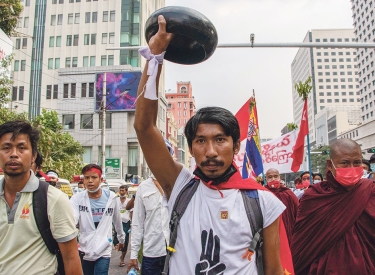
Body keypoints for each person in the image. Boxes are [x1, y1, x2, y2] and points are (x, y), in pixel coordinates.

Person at [133, 15, 286, 275]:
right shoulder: (180, 187)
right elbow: (144, 127)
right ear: (190, 149)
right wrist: (154, 58)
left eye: (220, 140)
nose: (211, 151)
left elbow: (272, 270)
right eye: (201, 141)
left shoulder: (263, 203)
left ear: (236, 147)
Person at [0, 120, 81, 274]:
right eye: (6, 148)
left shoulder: (53, 199)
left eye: (22, 148)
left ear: (33, 156)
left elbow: (70, 257)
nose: (14, 154)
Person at [291, 138, 375, 275]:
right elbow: (302, 245)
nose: (352, 168)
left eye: (357, 163)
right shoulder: (315, 196)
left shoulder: (370, 192)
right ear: (330, 165)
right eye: (345, 163)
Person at [127, 140, 174, 275]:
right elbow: (137, 223)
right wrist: (134, 255)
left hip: (176, 252)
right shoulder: (143, 187)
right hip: (152, 253)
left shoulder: (178, 183)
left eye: (164, 154)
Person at [70, 164, 125, 275]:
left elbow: (117, 221)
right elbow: (72, 219)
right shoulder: (77, 199)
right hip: (84, 248)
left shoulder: (111, 197)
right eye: (87, 178)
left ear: (101, 179)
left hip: (104, 247)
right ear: (83, 180)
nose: (90, 181)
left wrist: (121, 239)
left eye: (94, 177)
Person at [265, 168, 299, 244]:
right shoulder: (263, 193)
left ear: (280, 178)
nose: (273, 179)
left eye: (275, 176)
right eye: (270, 177)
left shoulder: (288, 193)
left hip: (288, 228)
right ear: (266, 179)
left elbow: (298, 210)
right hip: (270, 229)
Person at [114, 185, 132, 267]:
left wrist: (131, 223)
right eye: (120, 190)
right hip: (116, 222)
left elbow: (131, 212)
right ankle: (118, 247)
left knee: (125, 240)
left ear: (126, 191)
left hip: (126, 222)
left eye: (123, 190)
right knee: (116, 239)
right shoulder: (115, 200)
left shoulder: (129, 201)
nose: (121, 192)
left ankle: (122, 259)